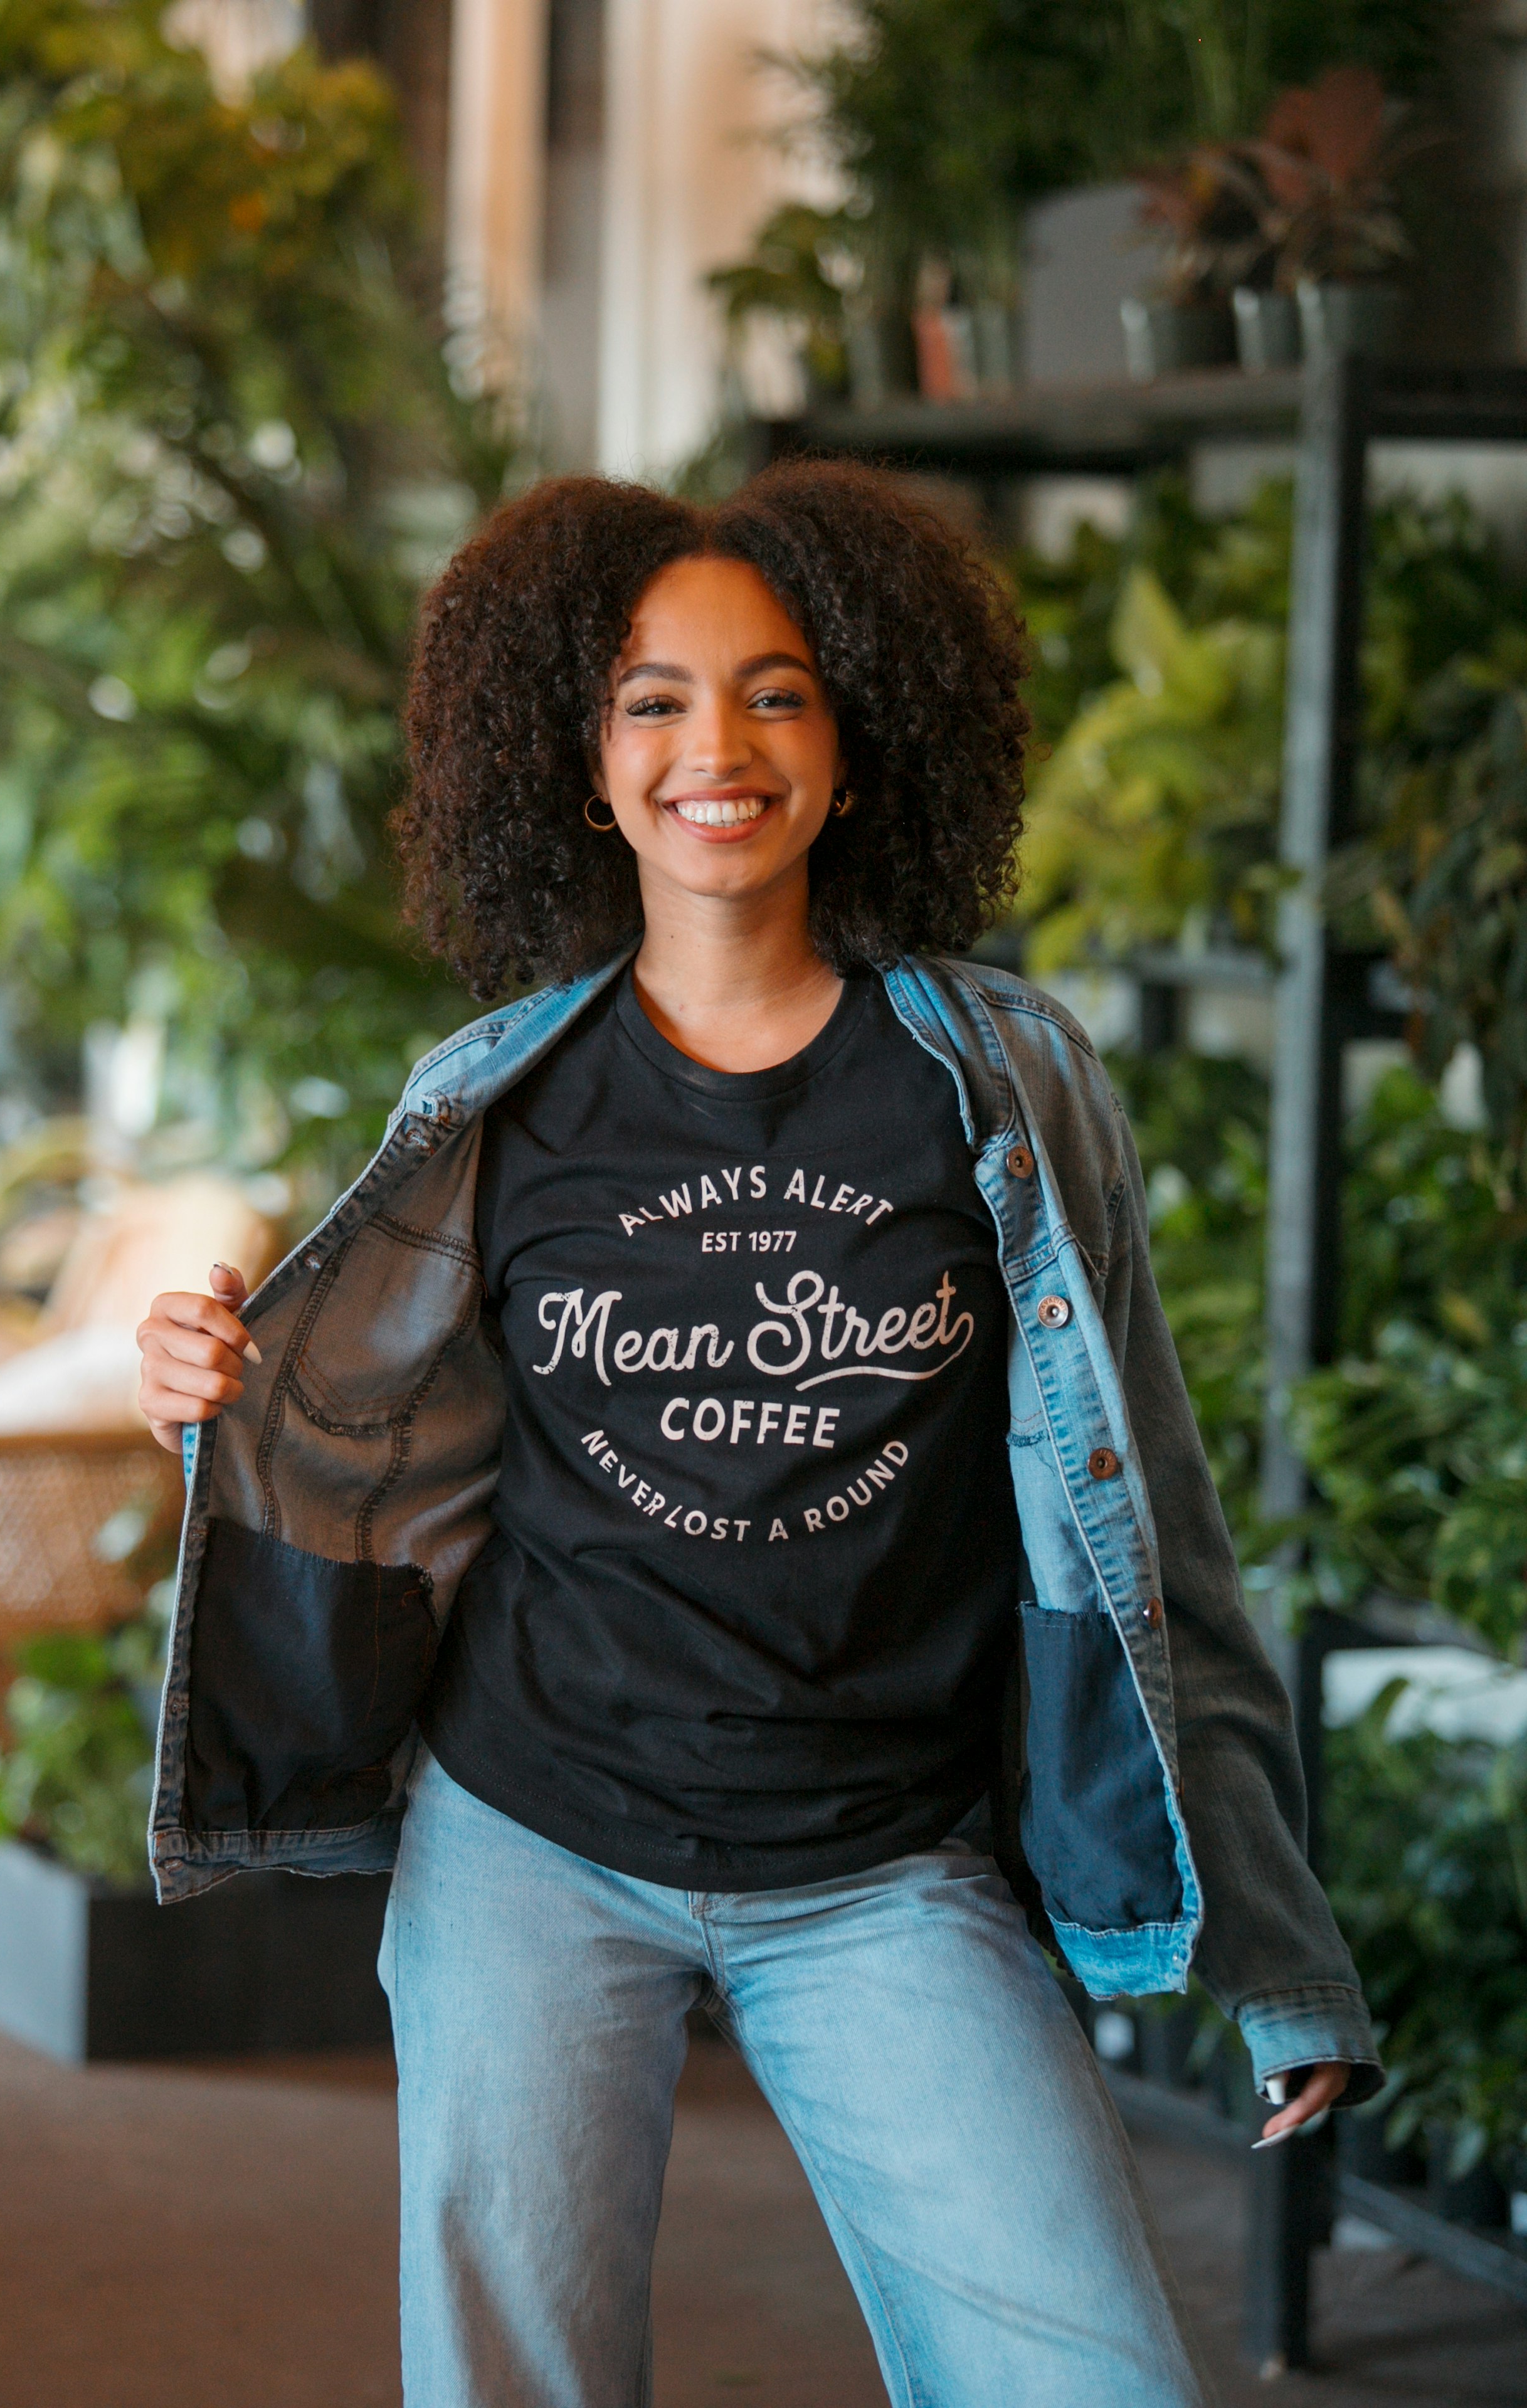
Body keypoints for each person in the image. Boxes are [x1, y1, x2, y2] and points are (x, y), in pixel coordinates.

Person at [136, 463, 1380, 2408]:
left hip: (890, 1863)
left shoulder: (1010, 1082)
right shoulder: (493, 1099)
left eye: (778, 690)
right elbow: (341, 1417)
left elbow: (1149, 1530)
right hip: (534, 1842)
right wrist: (196, 1387)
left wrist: (1276, 1942)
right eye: (651, 698)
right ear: (578, 765)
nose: (716, 744)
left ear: (861, 742)